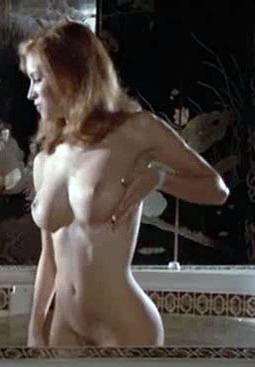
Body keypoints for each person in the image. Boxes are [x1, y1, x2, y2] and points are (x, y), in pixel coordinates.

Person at [19, 21, 229, 347]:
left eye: (37, 78)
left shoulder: (136, 130)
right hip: (64, 325)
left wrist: (160, 179)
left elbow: (217, 189)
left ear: (69, 74)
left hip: (122, 325)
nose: (29, 93)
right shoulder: (47, 157)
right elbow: (50, 257)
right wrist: (35, 329)